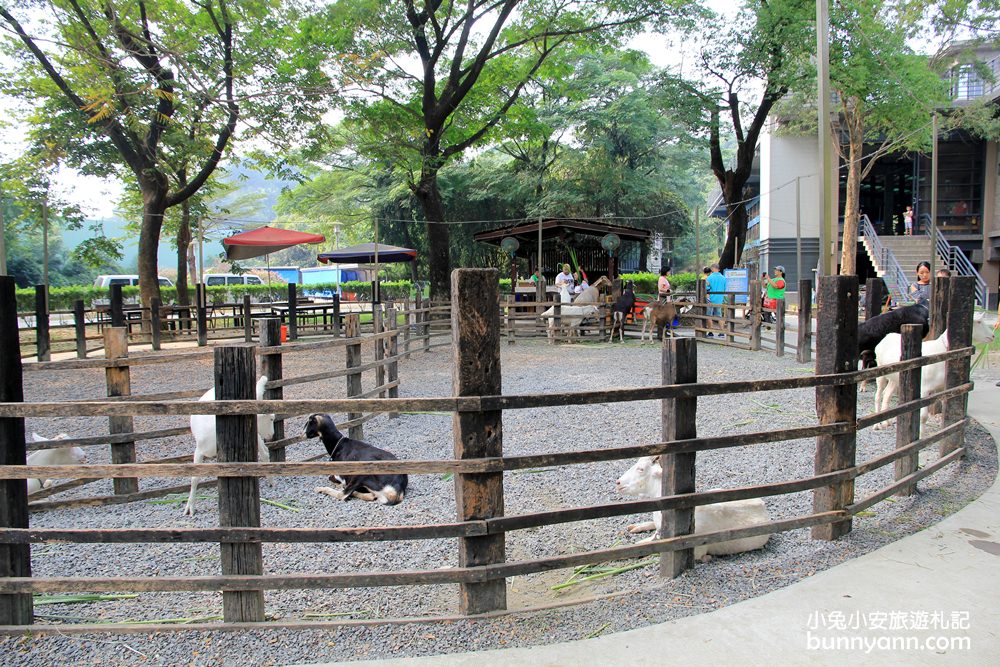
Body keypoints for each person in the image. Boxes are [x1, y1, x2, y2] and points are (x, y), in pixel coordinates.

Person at [705, 263, 727, 337]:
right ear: (718, 269)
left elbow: (706, 289)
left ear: (712, 269)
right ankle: (721, 332)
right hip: (720, 299)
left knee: (709, 315)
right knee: (719, 315)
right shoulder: (724, 278)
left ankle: (711, 332)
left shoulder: (709, 278)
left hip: (710, 299)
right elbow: (725, 289)